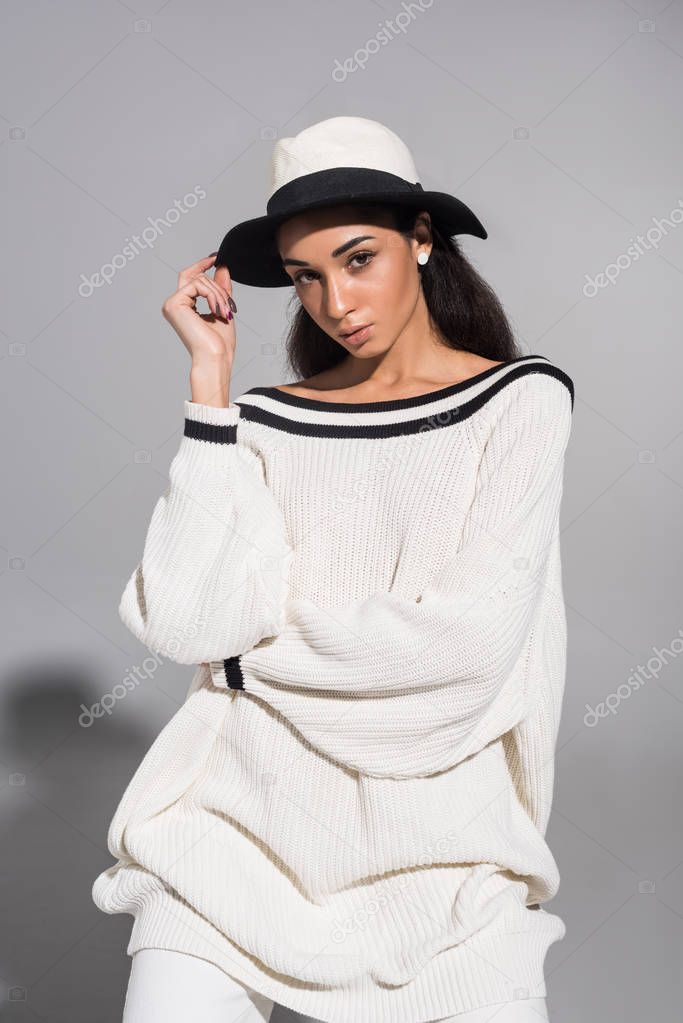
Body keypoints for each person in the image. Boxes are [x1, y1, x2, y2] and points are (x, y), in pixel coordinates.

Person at [92, 116, 574, 1023]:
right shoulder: (264, 420)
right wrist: (211, 391)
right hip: (230, 832)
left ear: (421, 240)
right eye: (306, 275)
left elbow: (461, 650)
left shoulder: (519, 401)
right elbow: (188, 621)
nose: (333, 300)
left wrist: (246, 662)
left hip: (442, 852)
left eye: (358, 259)